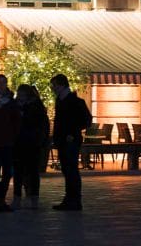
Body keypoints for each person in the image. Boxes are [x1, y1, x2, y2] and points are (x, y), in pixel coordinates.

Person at [50, 74, 91, 211]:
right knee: (67, 170)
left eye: (55, 86)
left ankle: (75, 200)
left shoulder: (74, 101)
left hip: (70, 141)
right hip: (63, 140)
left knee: (71, 170)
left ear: (62, 85)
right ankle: (69, 199)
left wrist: (72, 133)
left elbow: (86, 120)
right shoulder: (60, 100)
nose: (53, 88)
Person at [0, 73, 21, 212]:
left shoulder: (11, 102)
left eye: (3, 82)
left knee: (7, 172)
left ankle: (1, 198)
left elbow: (16, 121)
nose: (1, 85)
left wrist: (13, 135)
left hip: (7, 142)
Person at [12, 84, 49, 209]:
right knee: (18, 172)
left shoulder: (35, 106)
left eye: (22, 94)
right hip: (19, 143)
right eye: (19, 94)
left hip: (32, 144)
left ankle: (34, 198)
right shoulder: (15, 105)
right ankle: (17, 197)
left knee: (33, 172)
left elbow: (41, 124)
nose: (20, 97)